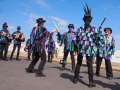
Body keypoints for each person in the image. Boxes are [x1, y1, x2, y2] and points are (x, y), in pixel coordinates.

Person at [73, 2, 104, 87]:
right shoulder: (94, 29)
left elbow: (75, 39)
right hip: (89, 49)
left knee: (79, 63)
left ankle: (75, 79)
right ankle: (90, 83)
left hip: (80, 48)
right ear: (91, 20)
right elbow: (100, 38)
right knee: (90, 65)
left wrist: (75, 49)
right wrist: (100, 31)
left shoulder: (80, 28)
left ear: (84, 20)